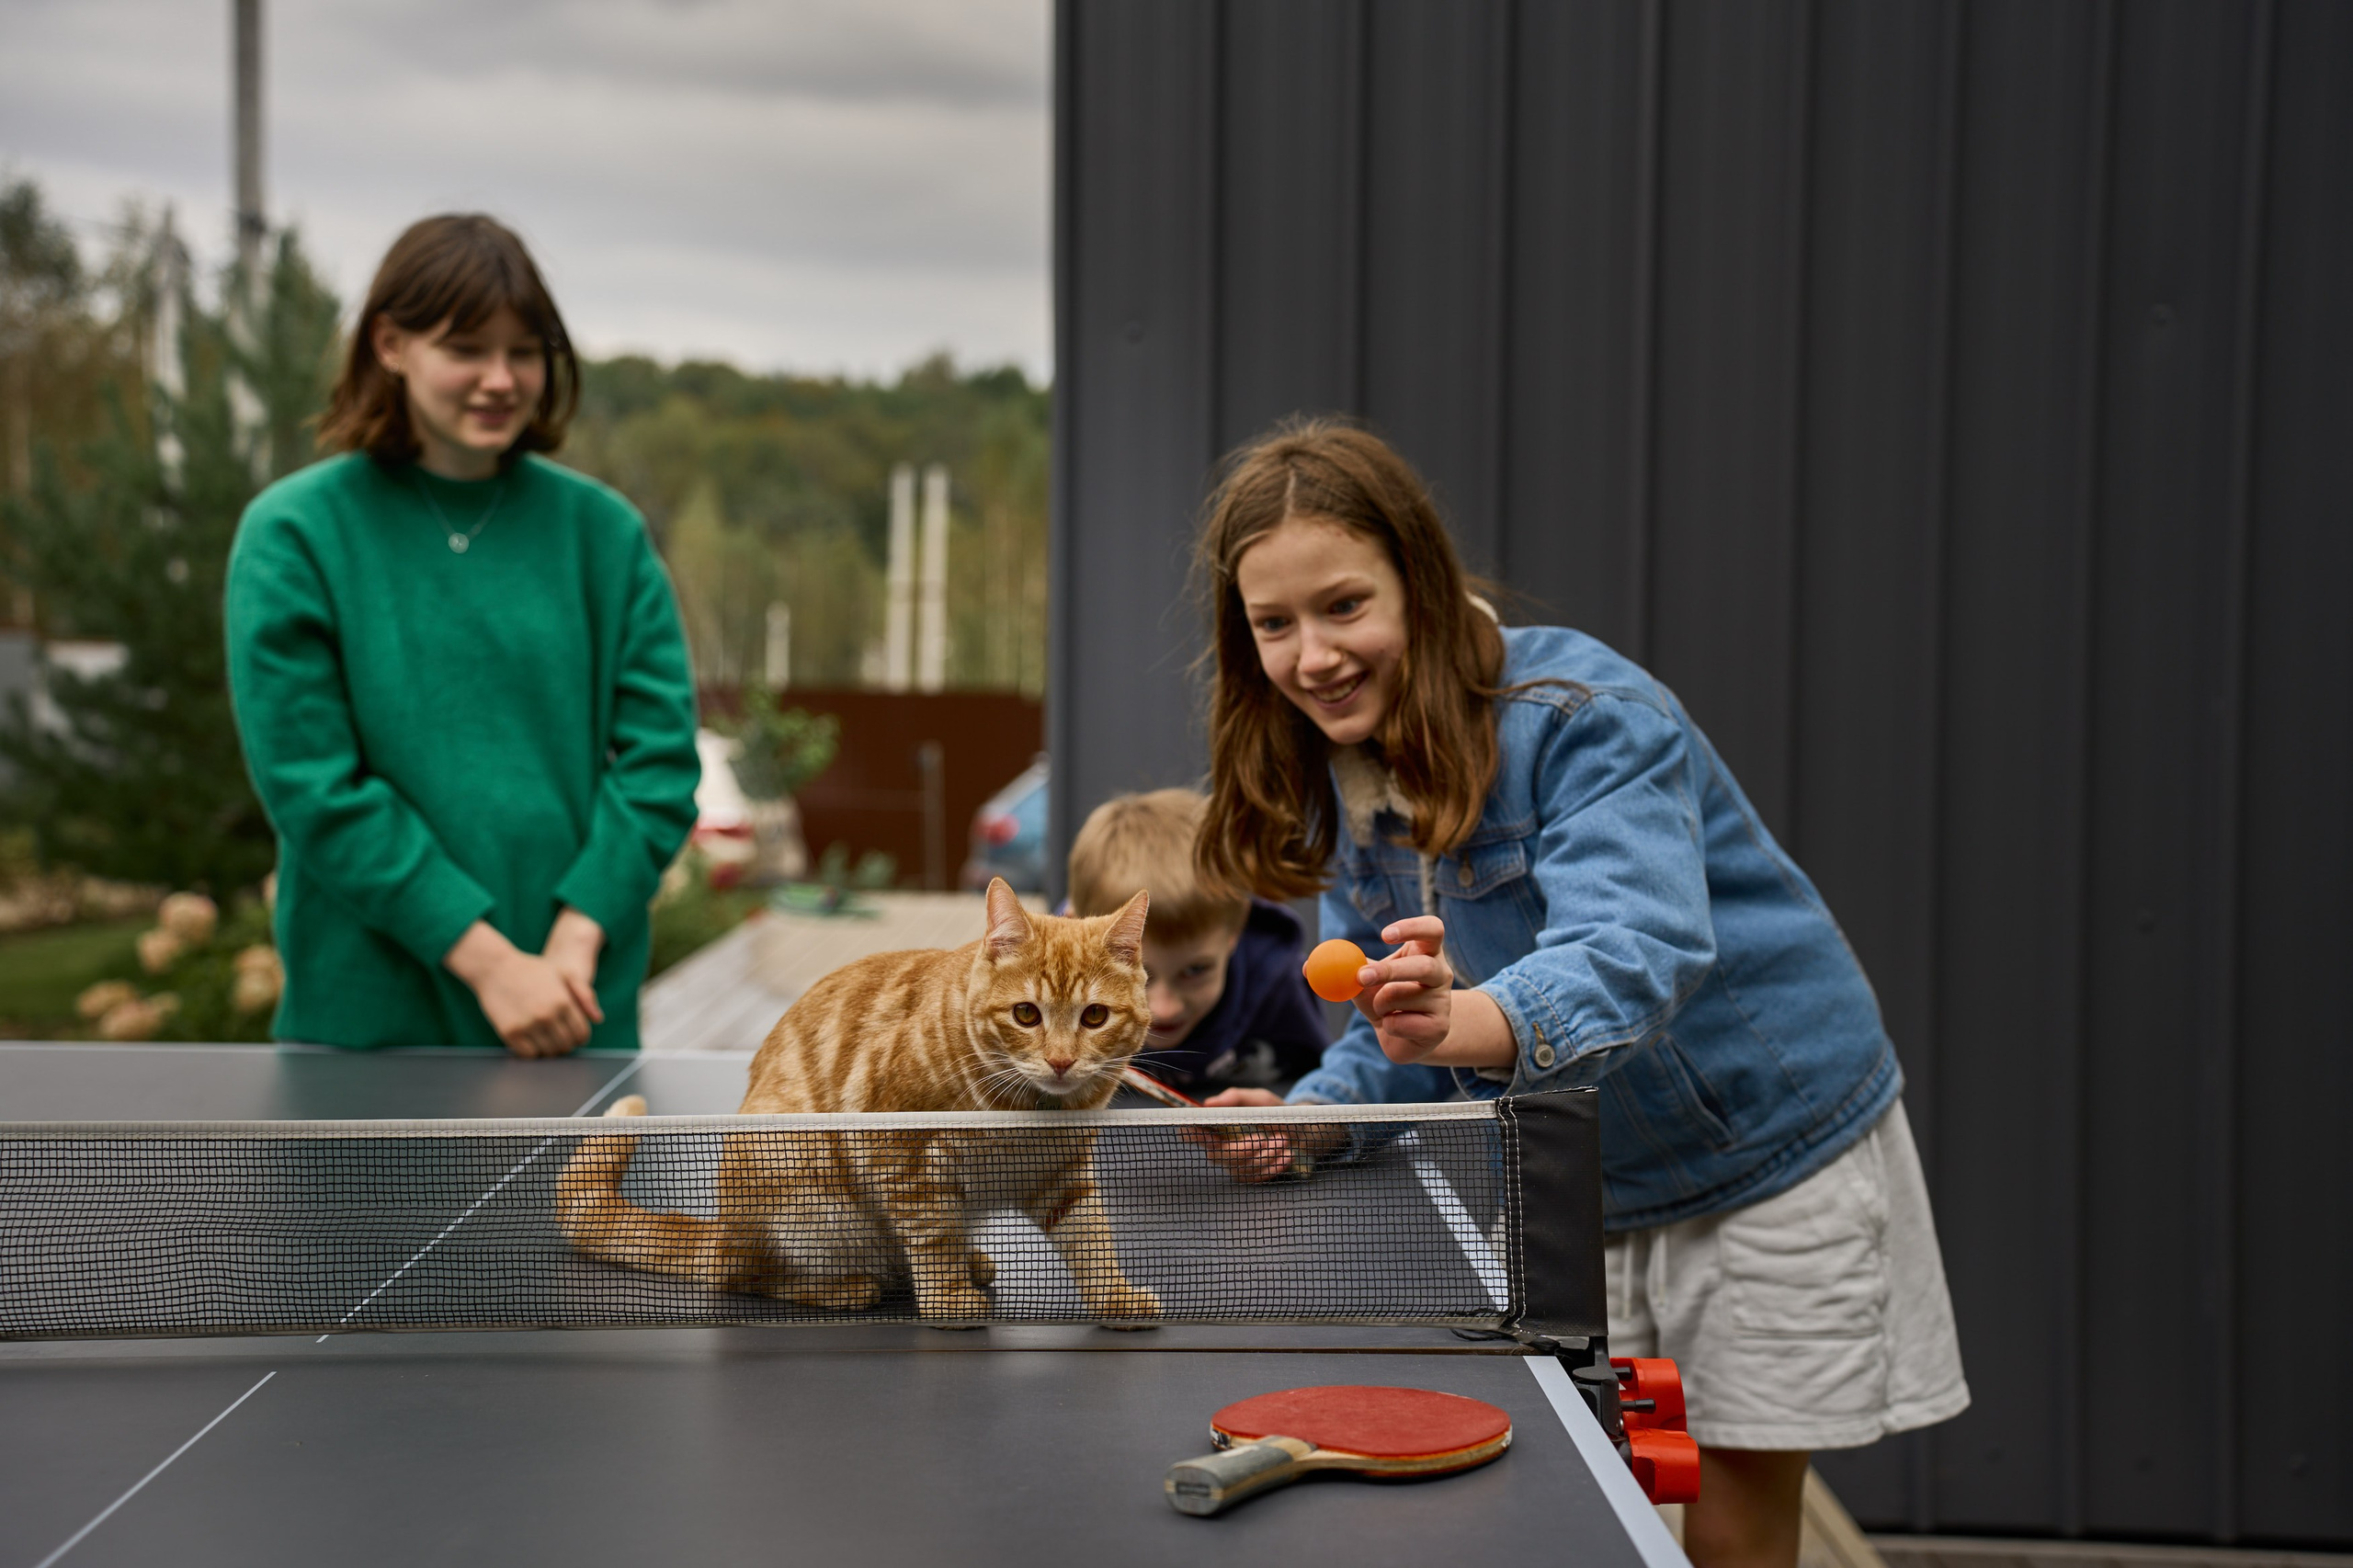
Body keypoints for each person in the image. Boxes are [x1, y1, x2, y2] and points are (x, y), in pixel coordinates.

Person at [1187, 418, 1967, 1568]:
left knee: (1736, 1502)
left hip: (1768, 1143)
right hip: (1587, 1176)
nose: (1313, 655)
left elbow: (1633, 945)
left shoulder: (1584, 714)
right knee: (1588, 1487)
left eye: (1345, 605)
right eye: (1275, 623)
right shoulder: (1338, 773)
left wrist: (1459, 1020)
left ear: (1426, 583)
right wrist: (1313, 1114)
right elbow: (1390, 1002)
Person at [225, 214, 699, 1056]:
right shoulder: (294, 533)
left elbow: (660, 767)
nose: (501, 379)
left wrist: (571, 944)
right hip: (366, 1028)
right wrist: (488, 964)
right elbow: (314, 787)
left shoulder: (606, 536)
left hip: (571, 1017)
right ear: (391, 345)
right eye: (466, 348)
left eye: (525, 351)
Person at [1066, 789, 1328, 1096]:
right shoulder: (1049, 1001)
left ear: (1236, 930)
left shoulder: (1280, 988)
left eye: (1195, 970)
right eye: (1139, 974)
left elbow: (1320, 1089)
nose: (1164, 1010)